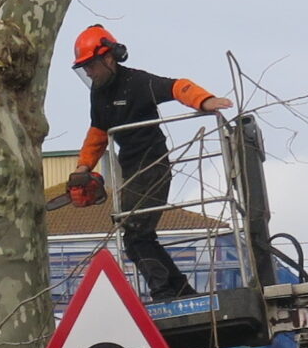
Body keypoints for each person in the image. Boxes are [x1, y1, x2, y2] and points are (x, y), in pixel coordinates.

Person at [66, 24, 231, 302]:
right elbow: (98, 133)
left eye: (91, 66)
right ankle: (181, 291)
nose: (89, 73)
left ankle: (164, 292)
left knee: (135, 235)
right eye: (84, 69)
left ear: (108, 58)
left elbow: (178, 87)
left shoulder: (138, 83)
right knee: (140, 235)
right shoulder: (98, 93)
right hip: (130, 171)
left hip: (153, 166)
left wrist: (205, 100)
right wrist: (83, 168)